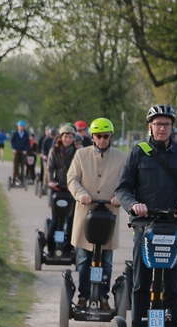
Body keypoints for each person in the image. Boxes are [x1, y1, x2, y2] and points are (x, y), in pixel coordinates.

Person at [115, 104, 177, 327]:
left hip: (173, 227)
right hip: (145, 227)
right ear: (150, 126)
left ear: (173, 128)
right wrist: (134, 205)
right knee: (141, 283)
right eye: (157, 124)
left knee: (173, 286)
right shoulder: (138, 153)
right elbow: (123, 189)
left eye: (167, 124)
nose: (162, 128)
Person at [67, 118, 127, 309]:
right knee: (84, 258)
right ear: (92, 137)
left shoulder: (122, 158)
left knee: (107, 260)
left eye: (105, 136)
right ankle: (83, 296)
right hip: (86, 213)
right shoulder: (80, 155)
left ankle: (103, 297)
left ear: (111, 137)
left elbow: (127, 182)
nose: (102, 140)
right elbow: (72, 179)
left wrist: (120, 196)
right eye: (98, 136)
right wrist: (81, 194)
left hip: (109, 213)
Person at [46, 123, 78, 254]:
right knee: (55, 219)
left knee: (71, 221)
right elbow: (50, 168)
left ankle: (67, 248)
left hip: (71, 190)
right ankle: (51, 247)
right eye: (66, 137)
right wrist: (51, 181)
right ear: (61, 137)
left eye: (70, 137)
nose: (68, 140)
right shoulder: (55, 150)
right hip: (57, 189)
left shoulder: (77, 152)